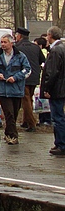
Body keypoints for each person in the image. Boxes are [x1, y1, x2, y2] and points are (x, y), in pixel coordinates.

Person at [0, 34, 31, 144]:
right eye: (1, 42)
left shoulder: (20, 56)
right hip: (4, 90)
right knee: (9, 113)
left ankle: (8, 132)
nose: (2, 44)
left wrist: (16, 77)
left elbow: (27, 70)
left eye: (5, 42)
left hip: (16, 89)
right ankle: (13, 136)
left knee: (14, 113)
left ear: (11, 43)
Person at [41, 26, 65, 156]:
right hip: (62, 87)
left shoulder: (55, 50)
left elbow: (52, 72)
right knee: (60, 116)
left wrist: (47, 88)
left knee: (57, 117)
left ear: (50, 35)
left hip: (57, 89)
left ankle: (61, 144)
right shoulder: (63, 48)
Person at [14, 27, 42, 132]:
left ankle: (31, 123)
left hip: (23, 76)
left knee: (25, 100)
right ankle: (26, 121)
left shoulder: (17, 47)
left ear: (19, 36)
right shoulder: (35, 47)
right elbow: (41, 60)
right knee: (28, 98)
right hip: (34, 76)